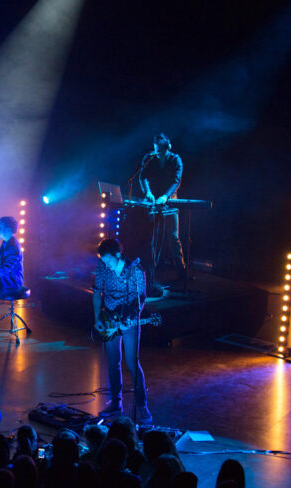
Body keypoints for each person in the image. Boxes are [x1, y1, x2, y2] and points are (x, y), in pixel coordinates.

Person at [93, 238, 151, 423]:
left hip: (129, 320)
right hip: (109, 319)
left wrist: (132, 318)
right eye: (103, 260)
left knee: (132, 362)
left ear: (117, 254)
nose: (106, 264)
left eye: (108, 259)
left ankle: (142, 405)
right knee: (113, 362)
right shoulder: (103, 268)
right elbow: (96, 292)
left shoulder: (135, 270)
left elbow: (141, 297)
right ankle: (116, 402)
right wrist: (97, 319)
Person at [138, 133, 186, 279]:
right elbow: (142, 177)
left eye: (161, 149)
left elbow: (176, 181)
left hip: (170, 202)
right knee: (152, 238)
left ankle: (182, 272)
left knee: (173, 237)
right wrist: (148, 192)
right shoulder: (151, 159)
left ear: (168, 147)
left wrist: (166, 196)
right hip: (153, 203)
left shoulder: (176, 159)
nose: (158, 152)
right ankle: (150, 274)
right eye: (156, 148)